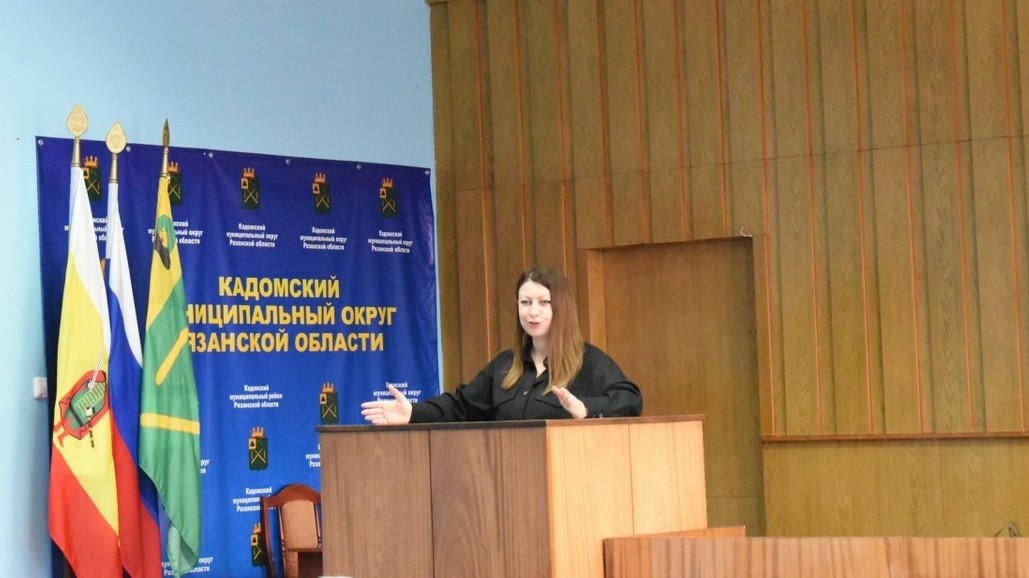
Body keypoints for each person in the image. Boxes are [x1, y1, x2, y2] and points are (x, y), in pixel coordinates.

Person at [361, 265, 642, 424]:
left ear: (561, 307)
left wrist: (586, 408)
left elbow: (630, 400)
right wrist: (413, 412)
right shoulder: (506, 366)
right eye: (525, 302)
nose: (532, 312)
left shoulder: (587, 361)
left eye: (543, 303)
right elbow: (461, 406)